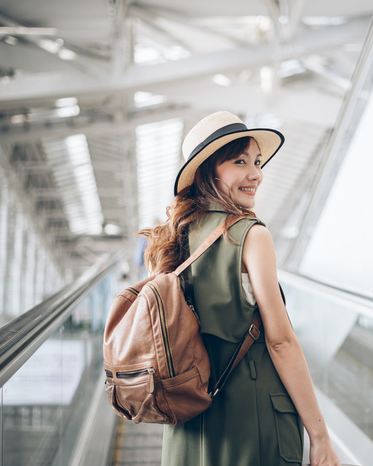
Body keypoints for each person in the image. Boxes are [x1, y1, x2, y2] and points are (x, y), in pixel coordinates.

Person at [139, 111, 341, 466]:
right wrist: (320, 438)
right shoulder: (251, 234)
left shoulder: (176, 239)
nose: (256, 174)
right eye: (240, 161)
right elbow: (280, 341)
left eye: (257, 162)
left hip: (188, 426)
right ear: (208, 172)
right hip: (253, 421)